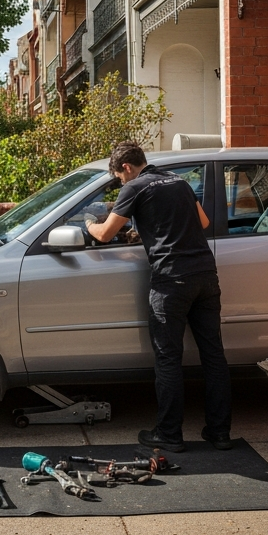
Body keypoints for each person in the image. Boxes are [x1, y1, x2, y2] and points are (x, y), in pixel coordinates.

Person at [85, 142, 232, 452]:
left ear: (126, 167)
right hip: (206, 276)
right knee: (214, 356)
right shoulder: (179, 181)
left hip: (171, 282)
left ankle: (169, 434)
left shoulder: (135, 186)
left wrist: (88, 221)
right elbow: (202, 223)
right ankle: (219, 433)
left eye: (118, 177)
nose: (120, 183)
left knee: (168, 359)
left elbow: (105, 234)